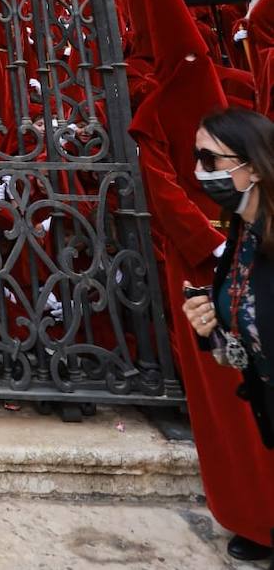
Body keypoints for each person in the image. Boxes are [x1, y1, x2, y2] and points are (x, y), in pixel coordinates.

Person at [183, 109, 274, 566]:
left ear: (253, 166)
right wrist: (210, 330)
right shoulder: (240, 233)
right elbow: (241, 344)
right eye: (196, 157)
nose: (200, 171)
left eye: (210, 159)